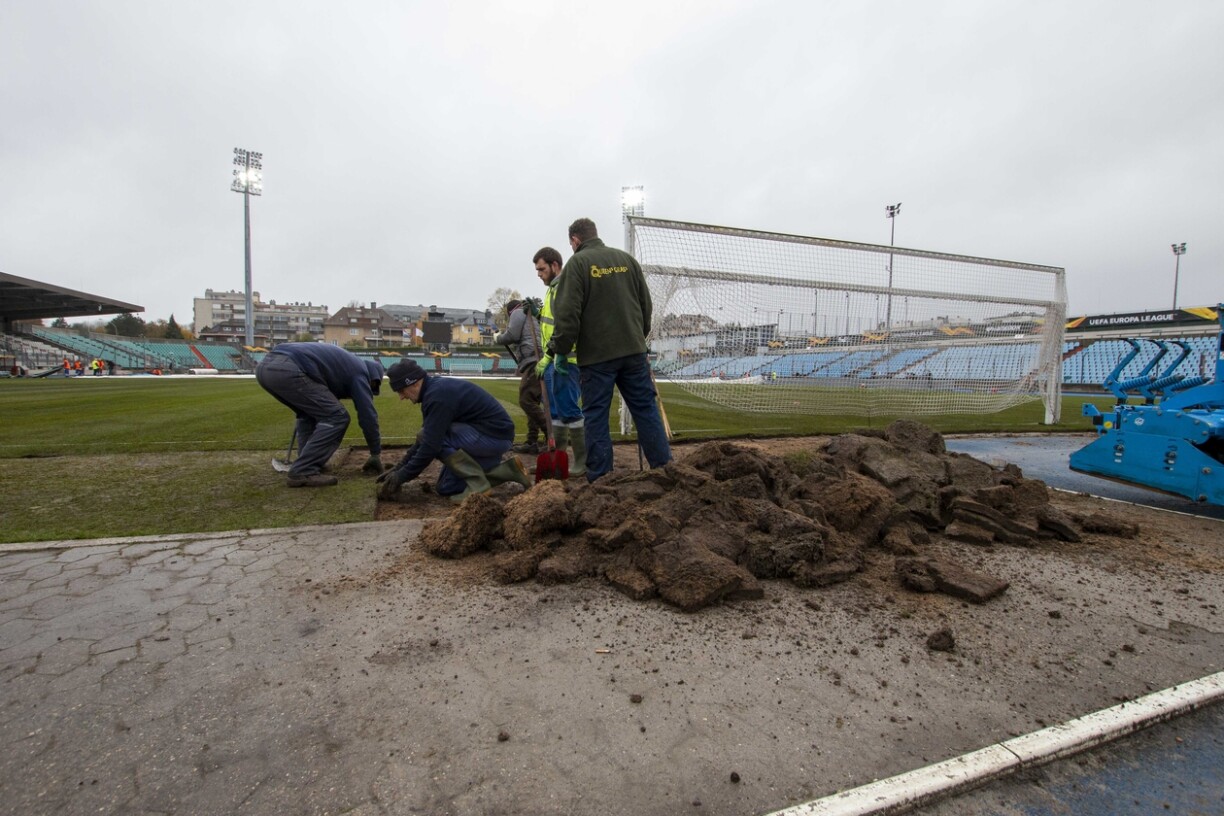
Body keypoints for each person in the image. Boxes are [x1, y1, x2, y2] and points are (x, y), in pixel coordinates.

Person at [549, 217, 671, 482]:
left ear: (575, 240)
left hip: (597, 357)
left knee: (595, 416)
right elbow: (645, 307)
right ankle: (665, 469)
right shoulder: (626, 261)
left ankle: (602, 479)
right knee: (645, 409)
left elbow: (567, 314)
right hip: (634, 352)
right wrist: (637, 337)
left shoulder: (577, 264)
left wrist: (560, 349)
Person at [376, 359, 531, 502]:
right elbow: (424, 439)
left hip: (494, 437)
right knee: (446, 488)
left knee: (433, 439)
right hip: (484, 437)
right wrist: (398, 468)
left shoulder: (437, 396)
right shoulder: (433, 391)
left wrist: (401, 476)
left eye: (401, 391)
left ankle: (479, 483)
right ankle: (509, 470)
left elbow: (430, 445)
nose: (401, 397)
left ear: (414, 383)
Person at [255, 342, 386, 487]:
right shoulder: (361, 373)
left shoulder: (346, 366)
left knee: (307, 415)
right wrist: (375, 452)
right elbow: (367, 415)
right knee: (338, 417)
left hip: (265, 367)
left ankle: (307, 461)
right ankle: (303, 470)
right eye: (372, 387)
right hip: (290, 368)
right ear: (373, 378)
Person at [531, 246, 586, 477]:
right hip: (554, 360)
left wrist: (551, 356)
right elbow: (552, 320)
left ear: (555, 265)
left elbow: (567, 325)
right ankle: (559, 456)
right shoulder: (552, 289)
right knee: (554, 411)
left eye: (541, 269)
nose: (539, 274)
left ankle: (582, 461)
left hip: (566, 360)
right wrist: (537, 313)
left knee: (570, 410)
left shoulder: (563, 287)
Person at [493, 299, 546, 455]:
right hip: (538, 358)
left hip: (532, 360)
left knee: (526, 400)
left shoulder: (517, 311)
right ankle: (532, 441)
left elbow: (512, 335)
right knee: (533, 400)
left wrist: (498, 338)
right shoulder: (530, 314)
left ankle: (551, 435)